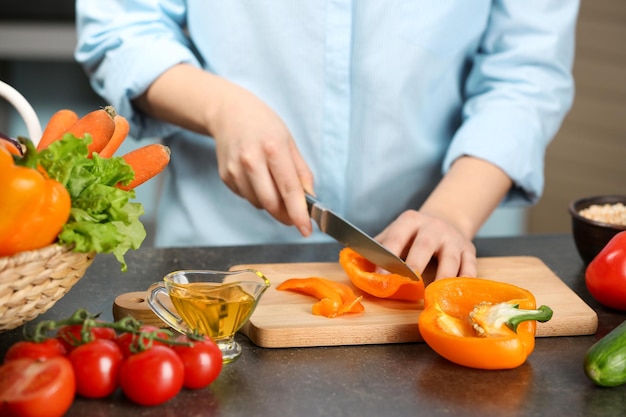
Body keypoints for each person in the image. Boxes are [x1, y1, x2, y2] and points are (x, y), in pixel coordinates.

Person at [74, 1, 579, 279]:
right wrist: (222, 108)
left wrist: (450, 215)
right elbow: (121, 25)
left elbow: (525, 74)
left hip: (435, 260)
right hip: (216, 253)